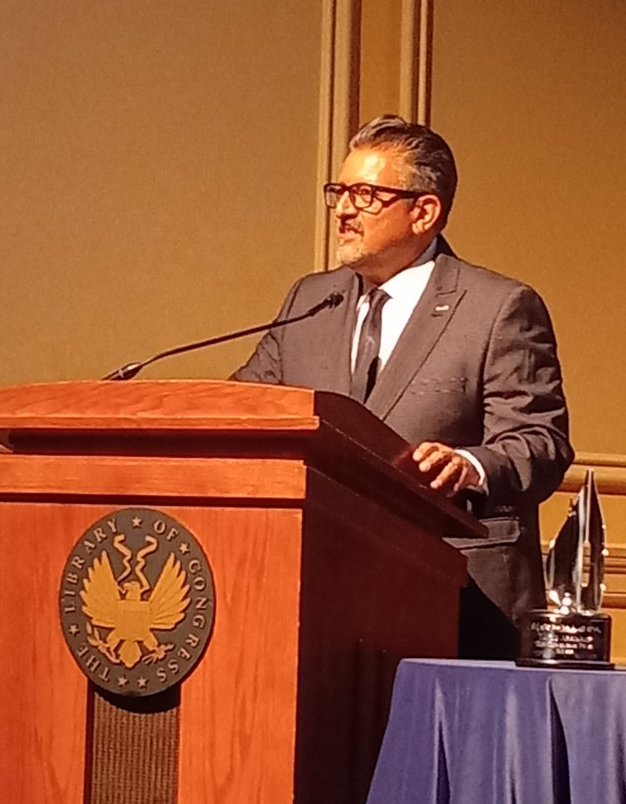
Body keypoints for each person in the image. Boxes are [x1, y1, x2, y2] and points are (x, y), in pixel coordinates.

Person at [233, 114, 573, 625]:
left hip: (456, 595)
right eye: (339, 191)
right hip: (317, 592)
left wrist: (470, 466)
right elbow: (247, 410)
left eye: (366, 194)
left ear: (424, 212)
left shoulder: (499, 307)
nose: (344, 210)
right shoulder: (310, 299)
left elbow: (540, 442)